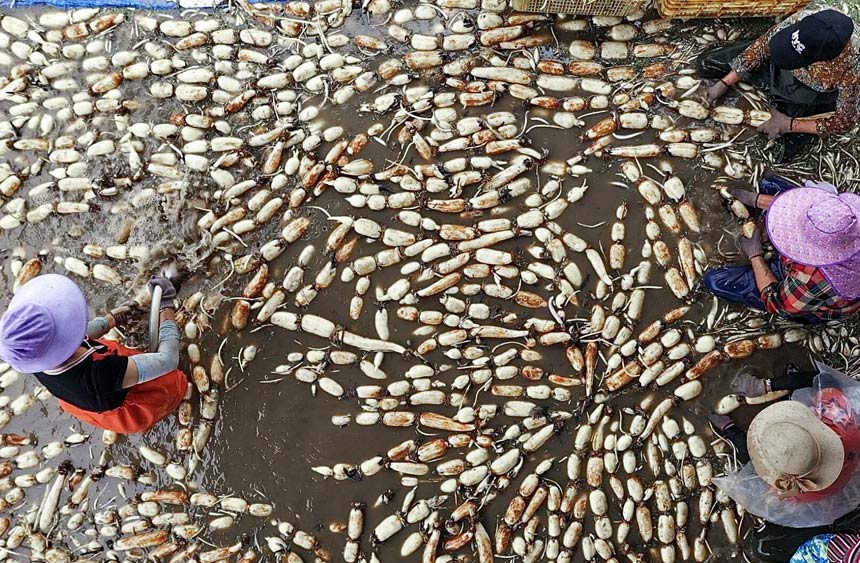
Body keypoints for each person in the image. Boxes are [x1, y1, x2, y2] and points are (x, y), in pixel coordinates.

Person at [0, 274, 187, 434]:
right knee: (173, 384)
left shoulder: (34, 357)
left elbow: (80, 335)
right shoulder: (100, 376)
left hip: (83, 397)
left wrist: (112, 319)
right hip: (124, 399)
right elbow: (168, 359)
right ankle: (174, 400)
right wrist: (165, 307)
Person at [710, 363, 860, 559]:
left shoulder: (790, 489)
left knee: (752, 467)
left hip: (827, 493)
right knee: (825, 382)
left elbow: (773, 488)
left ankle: (732, 430)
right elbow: (828, 381)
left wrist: (768, 385)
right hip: (843, 475)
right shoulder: (845, 426)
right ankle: (773, 389)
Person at [697, 7, 859, 161]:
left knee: (778, 144)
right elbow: (762, 46)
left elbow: (844, 121)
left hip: (809, 89)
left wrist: (789, 124)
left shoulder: (852, 72)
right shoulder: (808, 19)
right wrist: (726, 82)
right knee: (706, 63)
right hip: (778, 63)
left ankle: (788, 110)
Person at [703, 179, 860, 323]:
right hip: (820, 268)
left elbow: (777, 303)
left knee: (715, 281)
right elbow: (806, 209)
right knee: (769, 184)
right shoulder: (849, 217)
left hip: (814, 300)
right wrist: (756, 200)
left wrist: (755, 255)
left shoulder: (812, 279)